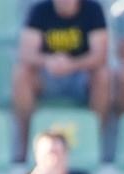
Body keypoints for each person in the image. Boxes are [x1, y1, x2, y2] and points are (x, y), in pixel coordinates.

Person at [15, 0, 112, 143]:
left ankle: (95, 141)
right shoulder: (39, 10)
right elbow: (26, 53)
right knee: (21, 73)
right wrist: (48, 61)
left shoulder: (93, 10)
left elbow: (100, 55)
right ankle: (28, 142)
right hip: (48, 75)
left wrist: (72, 64)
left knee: (103, 75)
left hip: (81, 76)